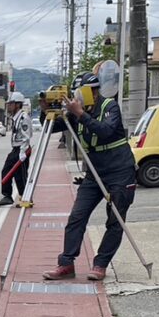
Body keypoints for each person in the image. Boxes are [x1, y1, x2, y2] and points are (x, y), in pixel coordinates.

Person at [43, 71, 137, 282]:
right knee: (77, 216)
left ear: (92, 90)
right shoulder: (77, 111)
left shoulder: (109, 107)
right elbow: (50, 127)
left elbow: (105, 131)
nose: (78, 96)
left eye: (81, 92)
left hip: (120, 172)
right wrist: (46, 107)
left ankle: (100, 264)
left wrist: (80, 115)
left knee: (115, 220)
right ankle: (66, 263)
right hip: (94, 174)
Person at [0, 91, 31, 206]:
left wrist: (23, 152)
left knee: (21, 176)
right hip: (15, 149)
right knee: (6, 171)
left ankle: (26, 197)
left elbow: (26, 136)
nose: (9, 106)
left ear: (17, 104)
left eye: (11, 103)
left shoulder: (23, 118)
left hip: (22, 150)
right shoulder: (16, 117)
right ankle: (7, 195)